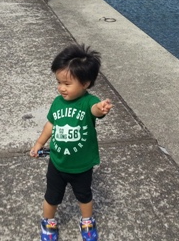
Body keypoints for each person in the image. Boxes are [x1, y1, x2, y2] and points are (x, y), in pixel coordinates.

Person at [30, 44, 113, 241]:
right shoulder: (57, 102)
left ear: (85, 83)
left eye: (67, 84)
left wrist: (101, 109)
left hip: (82, 166)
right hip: (57, 163)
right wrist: (39, 143)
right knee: (51, 196)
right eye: (58, 82)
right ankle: (48, 221)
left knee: (84, 196)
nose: (61, 88)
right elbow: (50, 124)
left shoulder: (88, 102)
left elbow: (95, 110)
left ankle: (87, 220)